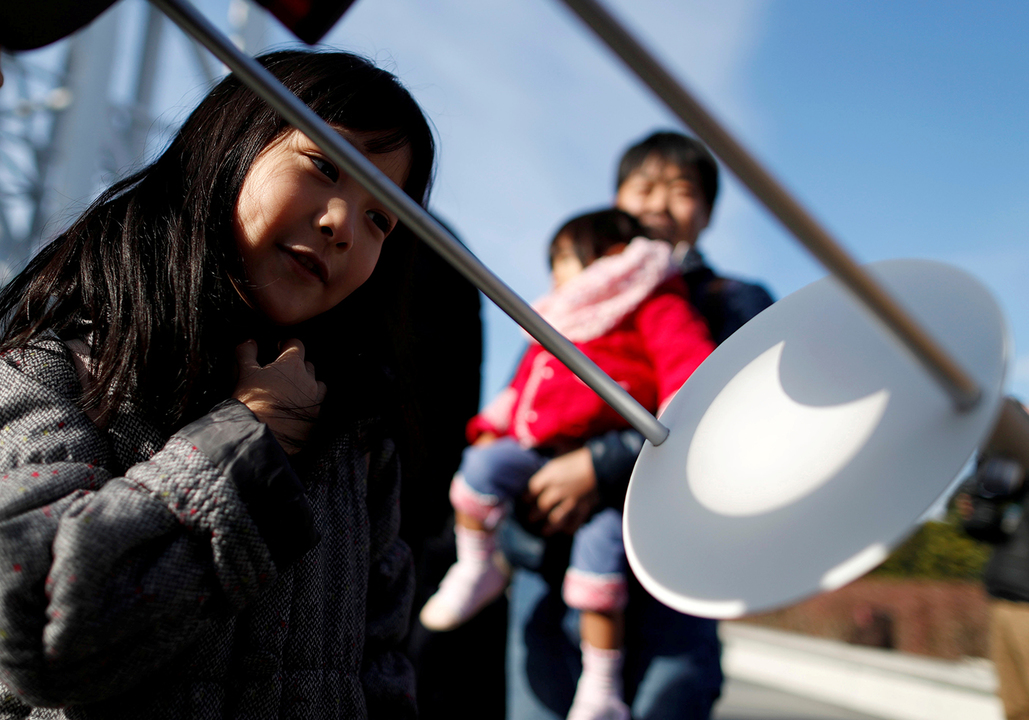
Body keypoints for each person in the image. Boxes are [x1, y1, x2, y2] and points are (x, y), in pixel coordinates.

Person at [0, 49, 434, 718]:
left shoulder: (356, 439)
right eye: (324, 166)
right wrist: (246, 441)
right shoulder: (52, 365)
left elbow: (382, 673)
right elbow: (38, 631)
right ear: (229, 141)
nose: (342, 225)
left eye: (381, 217)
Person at [503, 132, 774, 720]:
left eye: (681, 190)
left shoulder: (732, 300)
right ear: (617, 199)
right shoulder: (568, 298)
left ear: (706, 214)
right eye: (643, 186)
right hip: (550, 570)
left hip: (673, 581)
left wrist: (598, 466)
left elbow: (739, 424)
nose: (658, 202)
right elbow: (520, 414)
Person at [421, 208, 713, 720]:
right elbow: (523, 384)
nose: (555, 275)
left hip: (616, 479)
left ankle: (600, 690)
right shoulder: (560, 314)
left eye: (562, 260)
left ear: (608, 254)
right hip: (537, 451)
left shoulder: (652, 298)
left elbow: (686, 368)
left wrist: (672, 427)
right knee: (478, 471)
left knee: (599, 570)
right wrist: (492, 427)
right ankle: (476, 564)